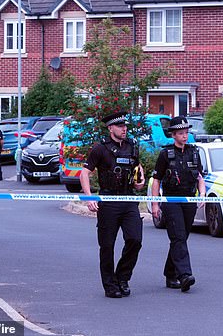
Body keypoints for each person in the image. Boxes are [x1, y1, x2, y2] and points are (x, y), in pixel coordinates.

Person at [80, 111, 145, 298]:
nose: (124, 129)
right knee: (107, 245)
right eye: (120, 126)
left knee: (135, 240)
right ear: (111, 129)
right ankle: (110, 285)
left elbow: (137, 168)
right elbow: (85, 173)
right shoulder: (100, 148)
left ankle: (122, 277)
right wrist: (89, 197)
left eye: (125, 126)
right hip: (108, 201)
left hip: (128, 199)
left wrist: (140, 180)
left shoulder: (132, 146)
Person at [151, 116, 206, 292]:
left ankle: (170, 273)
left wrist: (202, 195)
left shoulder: (194, 152)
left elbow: (199, 177)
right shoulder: (165, 154)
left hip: (189, 200)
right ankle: (184, 275)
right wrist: (155, 204)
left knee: (181, 238)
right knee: (178, 237)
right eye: (181, 133)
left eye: (186, 132)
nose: (184, 136)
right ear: (173, 135)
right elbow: (156, 180)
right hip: (171, 200)